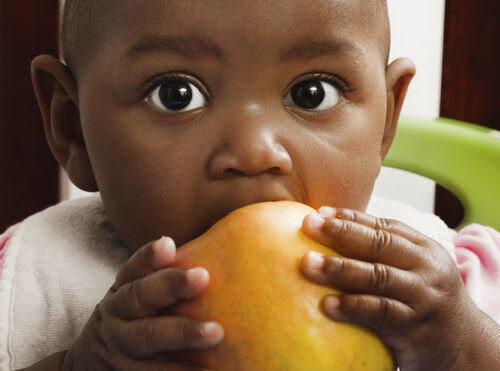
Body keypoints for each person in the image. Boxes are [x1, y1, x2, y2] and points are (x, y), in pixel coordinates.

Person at [1, 0, 499, 370]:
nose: (255, 152)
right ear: (72, 129)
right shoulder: (28, 278)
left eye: (312, 93)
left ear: (386, 120)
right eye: (176, 95)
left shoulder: (434, 286)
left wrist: (464, 347)